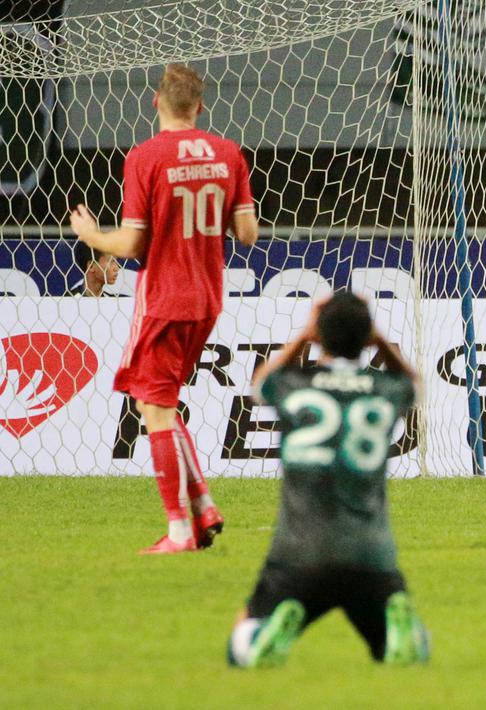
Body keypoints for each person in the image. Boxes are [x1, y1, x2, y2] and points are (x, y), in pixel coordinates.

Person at [69, 64, 259, 552]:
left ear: (156, 102)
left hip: (164, 297)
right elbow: (247, 234)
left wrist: (90, 235)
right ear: (199, 106)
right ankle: (203, 504)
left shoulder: (145, 157)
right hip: (208, 296)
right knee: (160, 403)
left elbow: (131, 244)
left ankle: (180, 531)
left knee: (153, 409)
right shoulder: (228, 154)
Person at [227, 292, 430, 668]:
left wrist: (305, 335)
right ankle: (402, 634)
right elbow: (415, 385)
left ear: (319, 335)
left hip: (298, 553)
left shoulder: (296, 384)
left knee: (239, 641)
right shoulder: (385, 389)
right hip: (372, 556)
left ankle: (259, 639)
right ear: (367, 338)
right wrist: (380, 340)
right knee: (407, 651)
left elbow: (260, 383)